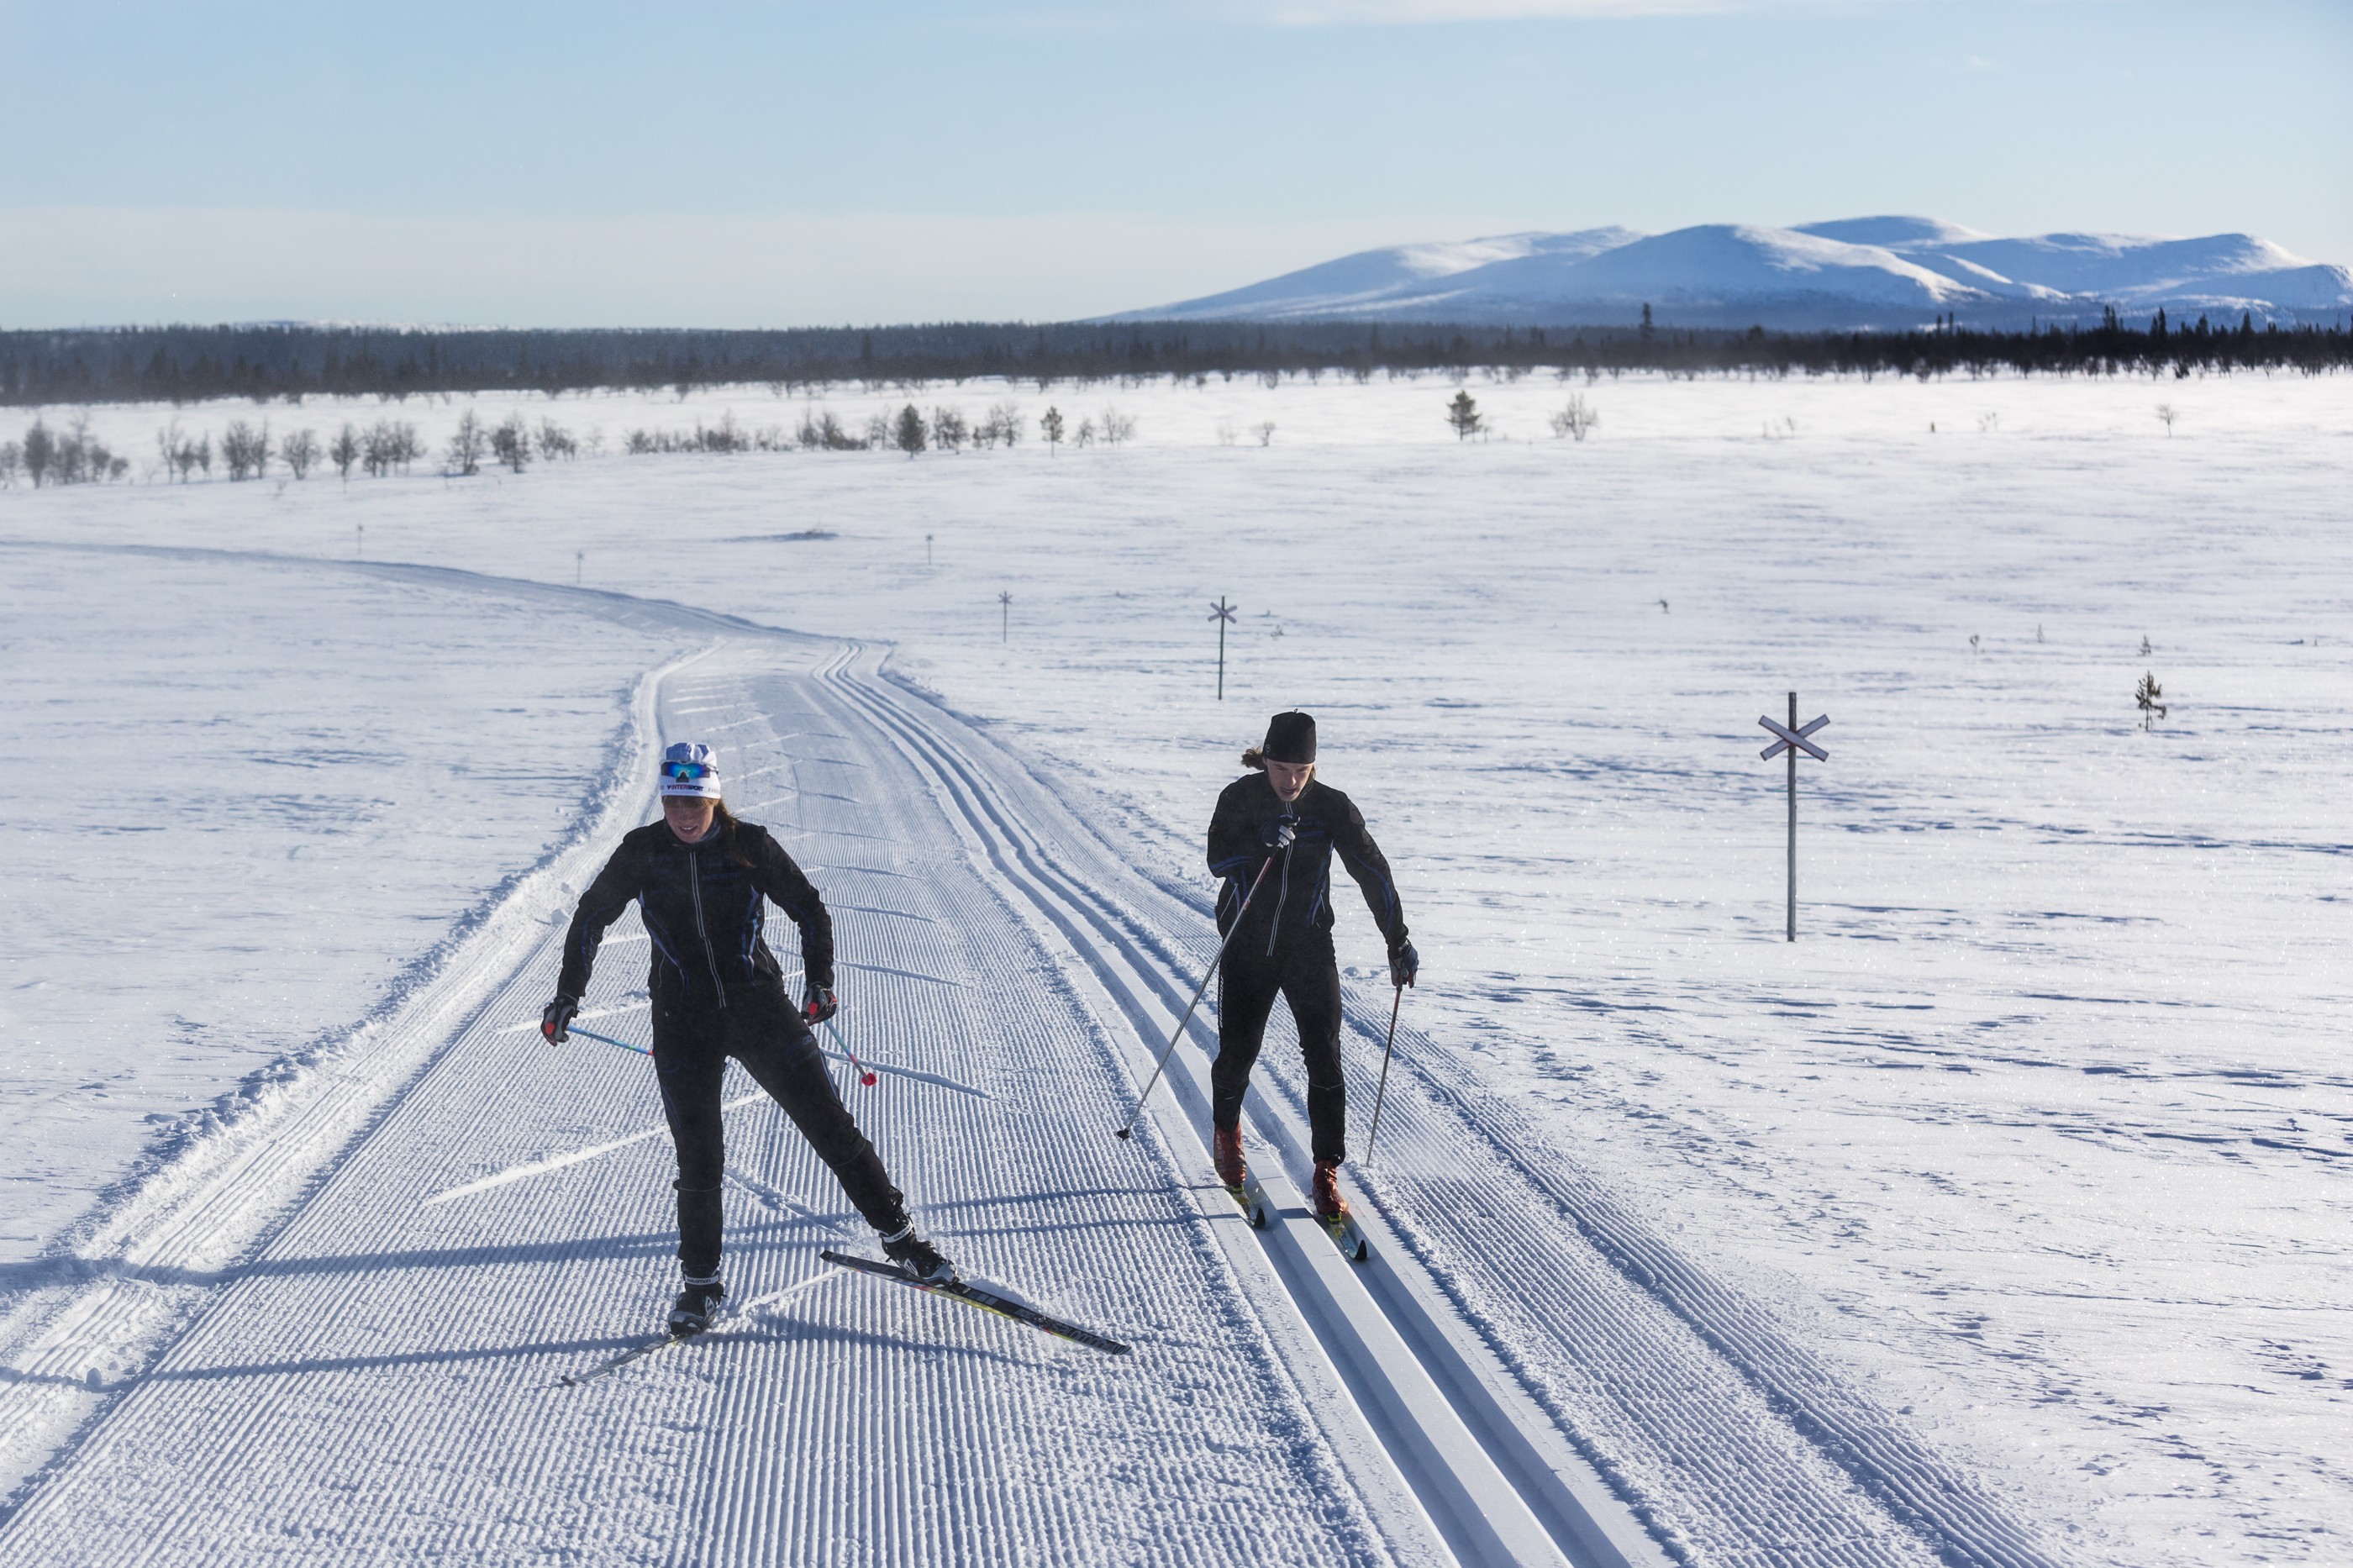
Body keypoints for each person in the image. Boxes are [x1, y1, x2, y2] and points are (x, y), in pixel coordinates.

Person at [540, 742, 955, 1335]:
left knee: (831, 1128)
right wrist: (568, 994)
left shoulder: (748, 845)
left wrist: (820, 980)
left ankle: (902, 1240)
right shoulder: (642, 851)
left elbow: (809, 909)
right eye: (674, 801)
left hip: (760, 1011)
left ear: (715, 797)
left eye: (696, 802)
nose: (684, 815)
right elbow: (590, 917)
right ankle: (700, 1286)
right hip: (682, 1020)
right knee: (699, 1157)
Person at [1206, 711, 1417, 1222]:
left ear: (1314, 766)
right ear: (1266, 761)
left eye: (1301, 771)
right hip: (1247, 943)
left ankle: (1326, 1170)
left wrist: (1397, 939)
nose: (1291, 781)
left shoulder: (1332, 808)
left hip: (1308, 946)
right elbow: (1217, 858)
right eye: (1281, 769)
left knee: (1324, 1056)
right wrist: (1260, 841)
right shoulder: (1239, 798)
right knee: (1238, 1052)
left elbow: (1372, 871)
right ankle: (1227, 1133)